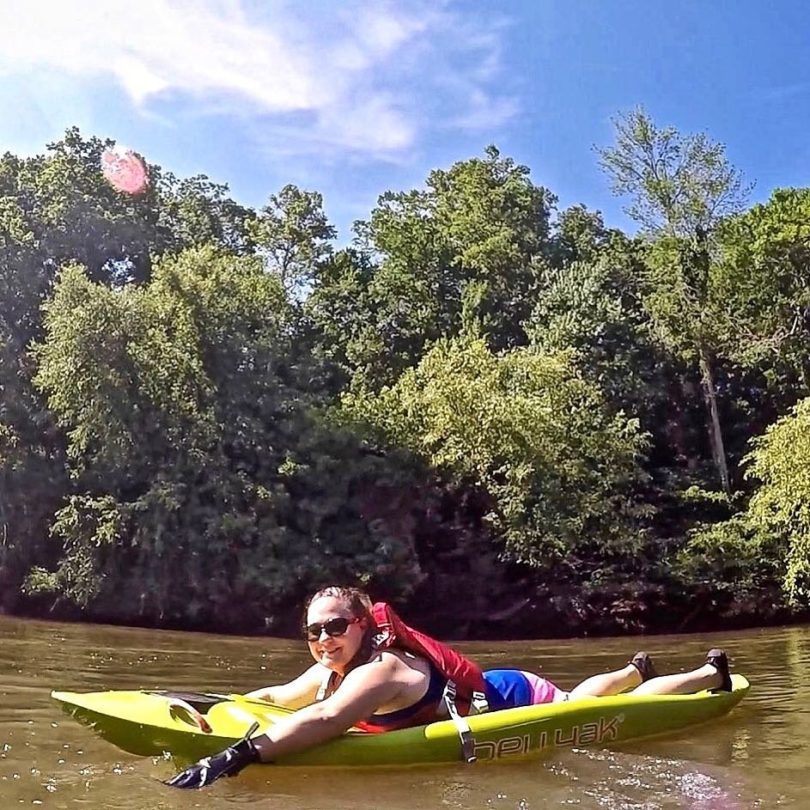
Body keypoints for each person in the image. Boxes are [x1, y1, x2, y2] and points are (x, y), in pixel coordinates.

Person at [166, 586, 734, 789]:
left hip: (510, 698)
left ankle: (708, 676)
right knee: (586, 692)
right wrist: (205, 708)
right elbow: (277, 698)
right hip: (483, 692)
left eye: (335, 626)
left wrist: (236, 756)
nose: (323, 638)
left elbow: (325, 721)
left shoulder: (381, 669)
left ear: (363, 625)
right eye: (313, 630)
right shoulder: (328, 667)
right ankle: (635, 667)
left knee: (590, 706)